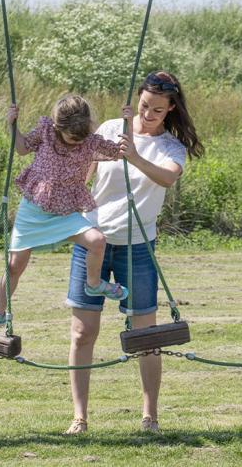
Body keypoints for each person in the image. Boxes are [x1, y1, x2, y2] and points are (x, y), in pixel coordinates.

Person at [64, 71, 203, 434]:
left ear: (171, 108)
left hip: (138, 247)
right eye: (144, 106)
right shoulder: (111, 128)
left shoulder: (172, 147)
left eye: (158, 109)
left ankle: (150, 417)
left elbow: (168, 178)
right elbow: (82, 172)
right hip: (92, 240)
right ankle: (79, 417)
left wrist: (136, 157)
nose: (149, 113)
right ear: (136, 101)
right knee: (82, 333)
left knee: (146, 335)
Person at [0, 95, 128, 335]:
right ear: (58, 127)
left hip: (66, 212)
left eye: (82, 137)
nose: (77, 143)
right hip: (34, 210)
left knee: (97, 241)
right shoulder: (45, 132)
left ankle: (94, 284)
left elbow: (122, 151)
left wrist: (128, 125)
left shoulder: (90, 141)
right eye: (71, 138)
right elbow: (22, 148)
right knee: (14, 266)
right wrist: (12, 124)